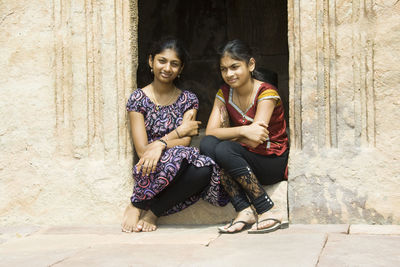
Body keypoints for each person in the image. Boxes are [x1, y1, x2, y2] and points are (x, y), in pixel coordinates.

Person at [122, 38, 228, 232]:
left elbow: (186, 142)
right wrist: (178, 131)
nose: (167, 68)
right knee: (176, 155)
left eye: (174, 64)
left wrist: (161, 144)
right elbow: (142, 149)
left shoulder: (188, 100)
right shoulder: (138, 99)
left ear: (180, 69)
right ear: (151, 62)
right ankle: (137, 203)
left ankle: (153, 212)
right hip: (149, 166)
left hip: (178, 161)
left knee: (203, 168)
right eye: (162, 61)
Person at [200, 39, 289, 234]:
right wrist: (242, 131)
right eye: (224, 69)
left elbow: (256, 138)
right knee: (207, 145)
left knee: (223, 148)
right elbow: (211, 132)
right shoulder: (224, 93)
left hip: (271, 160)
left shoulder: (267, 92)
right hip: (242, 158)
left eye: (235, 67)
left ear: (250, 65)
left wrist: (230, 135)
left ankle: (267, 209)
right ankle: (244, 209)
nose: (229, 74)